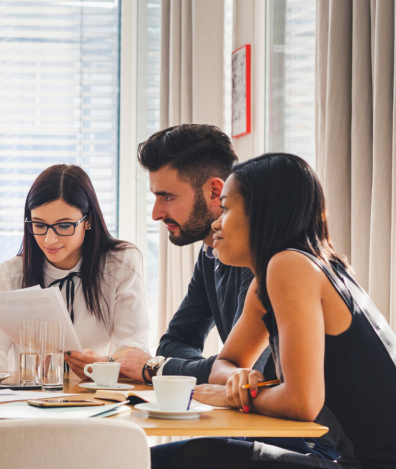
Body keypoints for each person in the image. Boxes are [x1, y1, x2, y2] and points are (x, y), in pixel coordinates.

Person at [154, 153, 395, 468]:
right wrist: (238, 379)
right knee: (186, 455)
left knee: (187, 458)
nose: (215, 222)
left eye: (225, 208)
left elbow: (302, 403)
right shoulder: (278, 274)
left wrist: (231, 396)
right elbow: (226, 361)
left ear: (262, 213)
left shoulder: (291, 265)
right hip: (351, 459)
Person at [0, 164, 150, 378]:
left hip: (92, 397)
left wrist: (104, 363)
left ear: (88, 222)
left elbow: (135, 347)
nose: (50, 240)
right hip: (28, 402)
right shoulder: (12, 274)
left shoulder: (119, 263)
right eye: (39, 225)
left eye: (64, 226)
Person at [118, 124, 268, 385]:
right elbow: (174, 343)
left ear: (214, 192)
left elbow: (250, 369)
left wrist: (156, 369)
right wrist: (201, 368)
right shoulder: (211, 252)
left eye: (167, 197)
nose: (156, 214)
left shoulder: (260, 255)